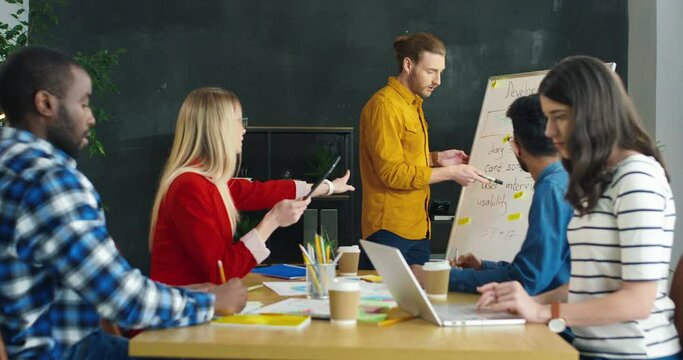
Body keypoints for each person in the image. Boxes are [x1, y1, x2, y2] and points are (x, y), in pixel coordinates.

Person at [0, 46, 247, 359]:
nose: (91, 118)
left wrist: (183, 294)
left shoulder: (10, 164)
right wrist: (212, 303)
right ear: (45, 103)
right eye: (83, 104)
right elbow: (123, 301)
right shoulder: (49, 181)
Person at [477, 56, 680, 359]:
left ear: (593, 114)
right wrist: (526, 304)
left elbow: (637, 302)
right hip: (588, 350)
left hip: (636, 354)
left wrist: (542, 311)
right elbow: (587, 283)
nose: (548, 131)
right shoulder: (595, 178)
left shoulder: (637, 177)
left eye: (558, 116)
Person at [149, 87, 354, 286]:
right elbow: (222, 271)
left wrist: (328, 187)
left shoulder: (205, 181)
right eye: (238, 121)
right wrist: (272, 221)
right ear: (218, 128)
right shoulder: (190, 186)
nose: (243, 129)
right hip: (181, 310)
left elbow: (259, 192)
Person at [411, 94, 572, 295]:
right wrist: (484, 268)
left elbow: (526, 280)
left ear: (515, 146)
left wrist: (435, 277)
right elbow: (537, 269)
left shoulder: (550, 190)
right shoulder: (565, 178)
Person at [359, 32, 489, 268]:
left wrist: (437, 159)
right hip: (390, 231)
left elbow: (402, 157)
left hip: (418, 230)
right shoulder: (385, 106)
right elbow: (392, 173)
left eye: (441, 72)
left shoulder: (412, 105)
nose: (438, 80)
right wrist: (452, 173)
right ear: (408, 65)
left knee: (416, 303)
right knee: (381, 303)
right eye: (431, 71)